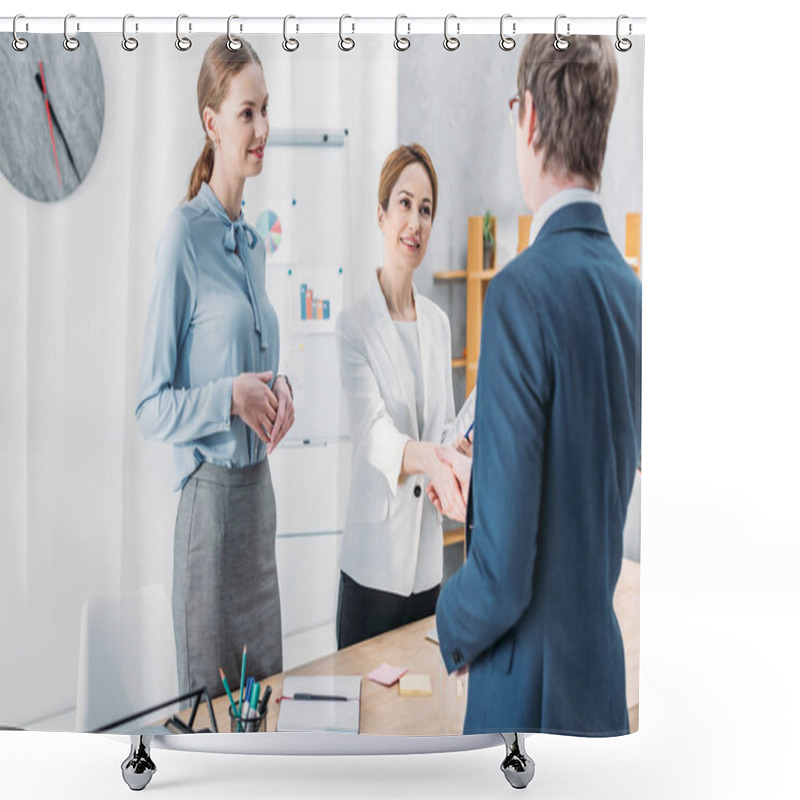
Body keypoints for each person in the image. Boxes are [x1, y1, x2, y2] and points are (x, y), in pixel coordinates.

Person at [433, 34, 642, 735]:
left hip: (525, 698)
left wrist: (447, 622)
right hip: (597, 686)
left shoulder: (519, 293)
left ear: (527, 120)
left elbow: (502, 575)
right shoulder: (630, 291)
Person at [135, 36, 294, 701]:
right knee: (211, 717)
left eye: (265, 111)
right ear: (212, 123)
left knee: (270, 707)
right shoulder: (183, 235)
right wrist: (227, 398)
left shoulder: (254, 244)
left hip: (259, 506)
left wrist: (279, 388)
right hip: (208, 507)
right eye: (246, 113)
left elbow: (253, 370)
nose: (262, 129)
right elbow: (151, 406)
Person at [335, 144, 464, 649]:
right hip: (372, 572)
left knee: (423, 717)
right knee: (366, 719)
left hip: (428, 568)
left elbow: (446, 429)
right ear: (382, 214)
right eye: (405, 204)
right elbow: (375, 437)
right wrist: (433, 458)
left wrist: (459, 451)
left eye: (426, 209)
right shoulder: (353, 326)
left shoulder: (438, 322)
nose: (415, 221)